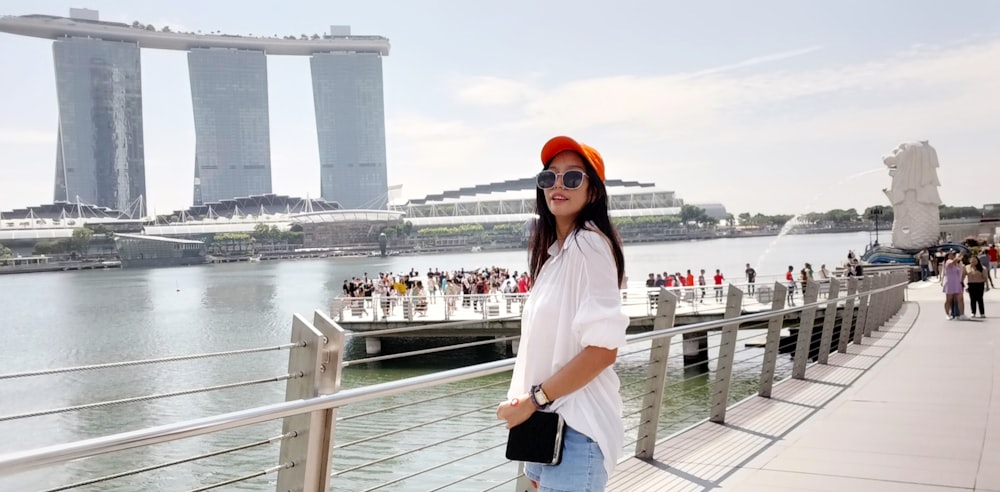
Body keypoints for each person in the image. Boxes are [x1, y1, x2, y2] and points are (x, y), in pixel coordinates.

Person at [497, 135, 628, 491]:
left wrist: (533, 400)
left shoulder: (589, 245)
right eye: (549, 177)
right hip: (546, 430)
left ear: (594, 191)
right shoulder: (557, 255)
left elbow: (603, 350)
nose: (558, 185)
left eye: (572, 177)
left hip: (575, 430)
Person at [941, 253, 967, 320]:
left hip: (957, 283)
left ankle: (962, 314)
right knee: (949, 300)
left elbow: (961, 272)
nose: (952, 256)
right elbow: (952, 262)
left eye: (953, 255)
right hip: (950, 283)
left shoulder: (958, 264)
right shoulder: (947, 262)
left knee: (960, 299)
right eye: (950, 255)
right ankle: (947, 314)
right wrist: (958, 257)